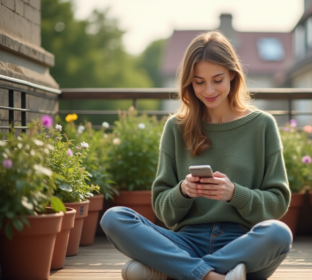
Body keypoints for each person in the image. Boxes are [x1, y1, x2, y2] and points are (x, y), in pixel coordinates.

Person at [100, 31, 292, 280]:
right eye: (199, 81)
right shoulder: (176, 127)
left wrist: (235, 194)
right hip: (185, 241)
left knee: (278, 234)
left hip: (242, 245)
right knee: (114, 218)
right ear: (189, 83)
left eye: (217, 79)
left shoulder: (262, 125)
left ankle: (174, 271)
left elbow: (278, 202)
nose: (209, 90)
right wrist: (183, 191)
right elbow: (163, 210)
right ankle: (212, 277)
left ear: (233, 74)